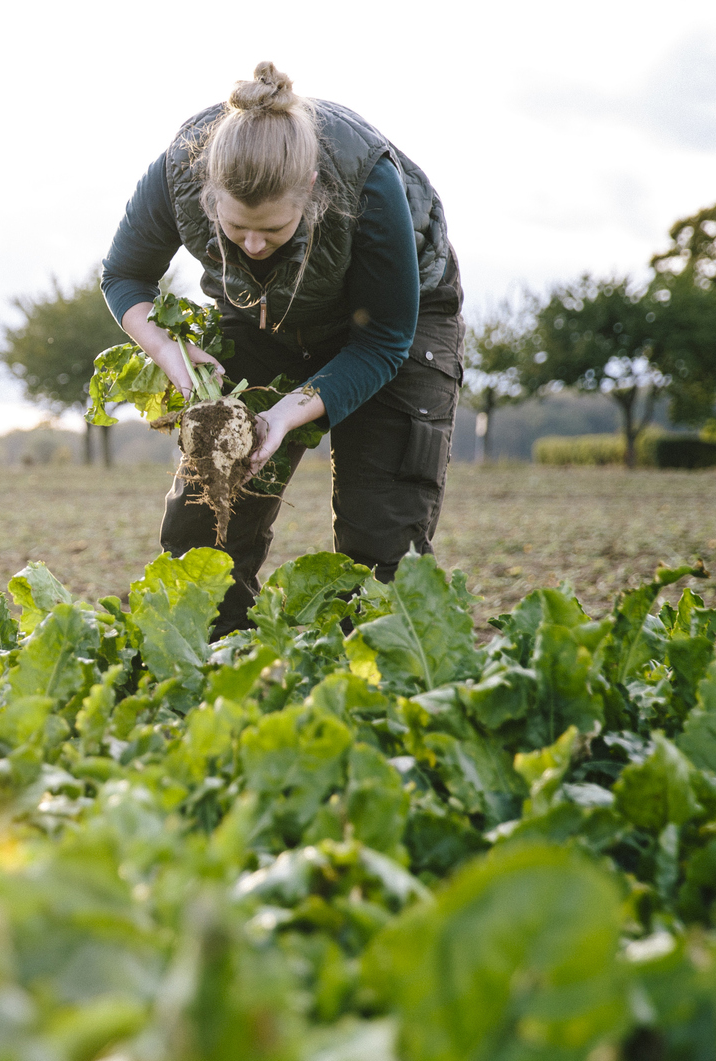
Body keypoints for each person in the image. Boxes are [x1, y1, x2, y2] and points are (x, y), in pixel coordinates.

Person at [101, 62, 464, 633]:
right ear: (209, 193)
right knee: (204, 531)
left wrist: (284, 415)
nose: (252, 244)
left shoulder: (367, 182)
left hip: (397, 327)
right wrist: (170, 352)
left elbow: (385, 339)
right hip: (260, 319)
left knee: (381, 538)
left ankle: (375, 690)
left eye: (272, 232)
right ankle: (216, 670)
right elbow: (123, 276)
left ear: (312, 191)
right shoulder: (179, 168)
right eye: (236, 229)